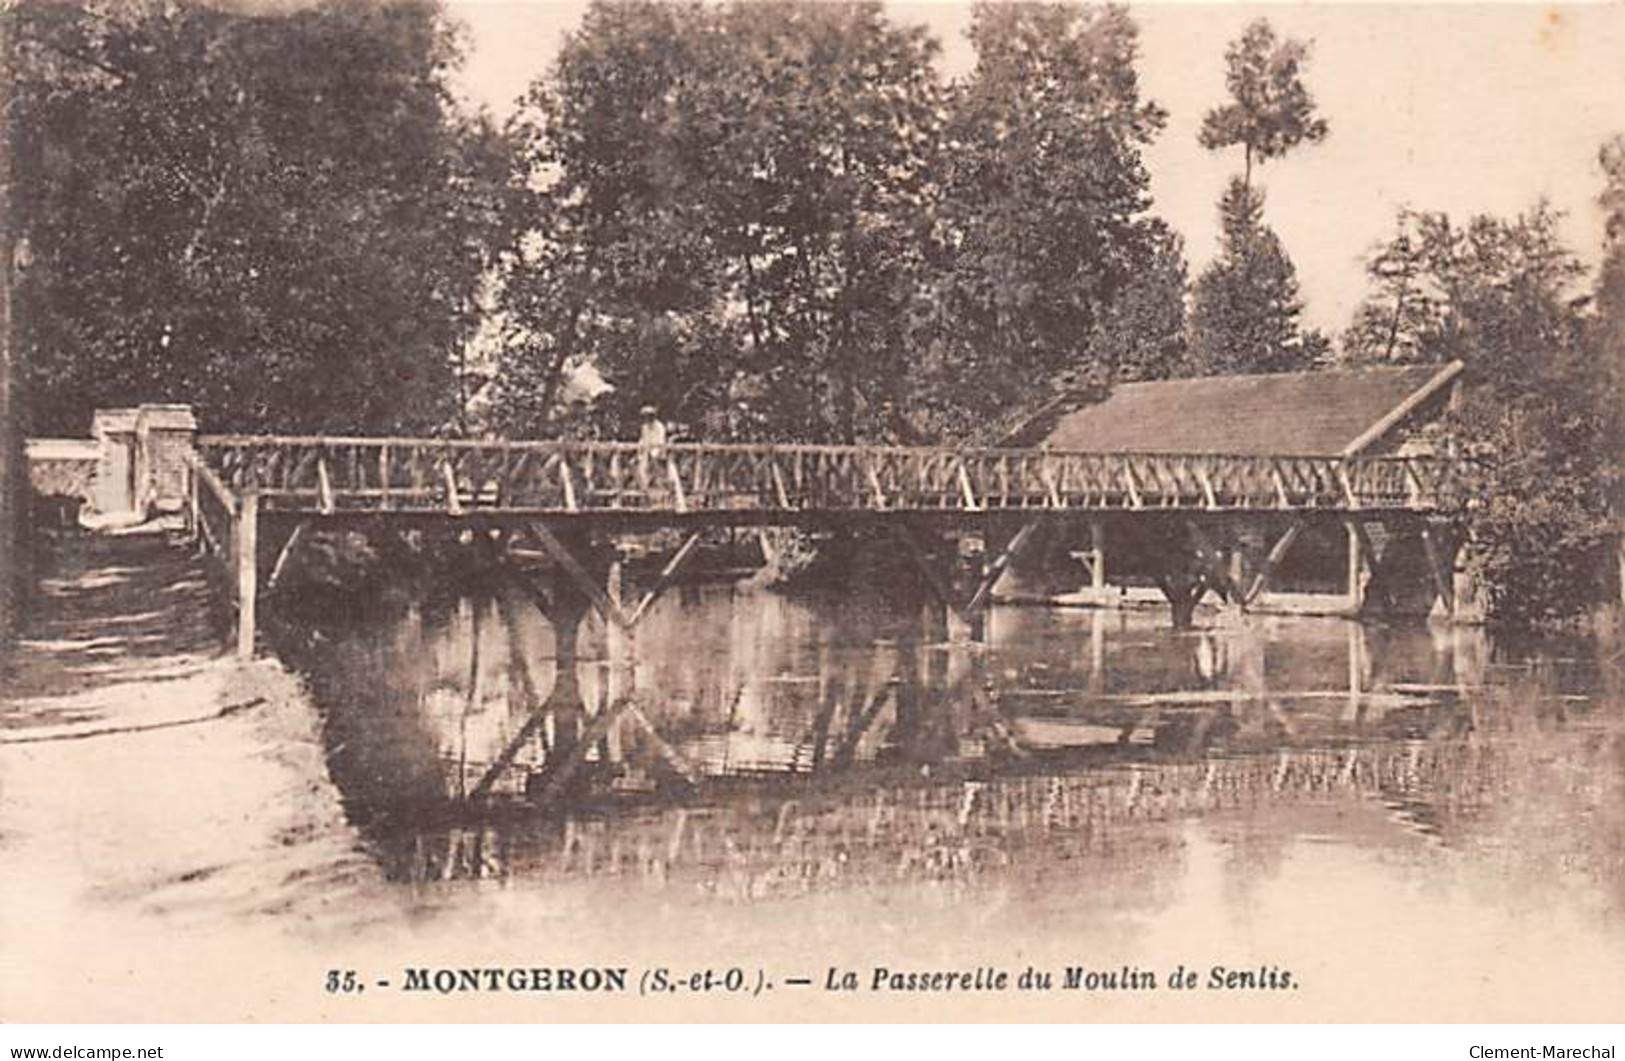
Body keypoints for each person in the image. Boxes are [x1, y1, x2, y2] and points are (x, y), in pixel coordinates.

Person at [635, 405, 667, 500]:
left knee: (655, 469)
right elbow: (642, 440)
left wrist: (653, 455)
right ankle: (643, 489)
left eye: (649, 416)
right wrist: (640, 452)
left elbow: (660, 442)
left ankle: (656, 490)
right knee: (637, 466)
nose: (647, 418)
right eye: (645, 416)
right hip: (646, 454)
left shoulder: (660, 427)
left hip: (658, 454)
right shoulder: (644, 427)